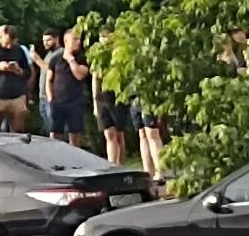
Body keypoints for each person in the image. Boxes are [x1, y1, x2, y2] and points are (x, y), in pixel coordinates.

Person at [47, 29, 89, 146]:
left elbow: (80, 75)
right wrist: (50, 98)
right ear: (66, 41)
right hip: (58, 102)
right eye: (75, 39)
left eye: (79, 39)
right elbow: (49, 80)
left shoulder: (82, 58)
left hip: (75, 102)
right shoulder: (55, 59)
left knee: (75, 134)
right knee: (55, 134)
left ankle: (75, 161)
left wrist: (71, 60)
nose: (78, 42)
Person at [92, 31, 128, 165]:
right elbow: (95, 78)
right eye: (101, 38)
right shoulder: (98, 57)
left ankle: (121, 165)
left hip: (117, 97)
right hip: (102, 99)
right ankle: (111, 164)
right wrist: (95, 103)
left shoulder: (118, 54)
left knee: (118, 134)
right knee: (109, 134)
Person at [31, 28, 62, 135]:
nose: (45, 43)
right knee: (48, 127)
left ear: (57, 39)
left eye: (48, 40)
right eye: (44, 41)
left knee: (54, 128)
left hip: (53, 96)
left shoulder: (60, 53)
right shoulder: (49, 54)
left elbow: (52, 71)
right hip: (42, 96)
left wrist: (37, 59)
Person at [129, 98, 165, 183]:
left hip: (146, 97)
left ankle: (160, 171)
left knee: (152, 133)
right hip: (132, 98)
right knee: (142, 134)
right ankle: (147, 172)